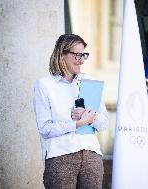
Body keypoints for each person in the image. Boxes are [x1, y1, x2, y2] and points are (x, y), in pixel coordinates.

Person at [33, 34, 109, 189]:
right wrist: (77, 123)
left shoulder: (89, 82)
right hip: (60, 156)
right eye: (77, 55)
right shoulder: (44, 85)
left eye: (83, 55)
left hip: (91, 155)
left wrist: (90, 117)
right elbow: (45, 129)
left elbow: (104, 123)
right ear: (62, 54)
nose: (81, 60)